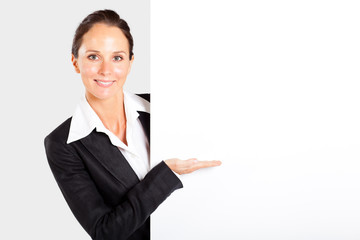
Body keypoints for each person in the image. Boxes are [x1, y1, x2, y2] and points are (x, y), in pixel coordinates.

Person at [44, 9, 221, 240]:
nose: (106, 70)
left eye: (117, 57)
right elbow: (105, 232)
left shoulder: (165, 108)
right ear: (75, 62)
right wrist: (164, 174)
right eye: (93, 57)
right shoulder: (63, 144)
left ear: (130, 62)